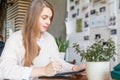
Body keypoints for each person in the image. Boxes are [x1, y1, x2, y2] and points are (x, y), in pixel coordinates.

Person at [0, 0, 86, 79]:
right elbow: (5, 69)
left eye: (50, 18)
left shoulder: (49, 38)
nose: (48, 22)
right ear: (32, 17)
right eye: (44, 18)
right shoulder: (15, 38)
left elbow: (57, 61)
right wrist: (43, 70)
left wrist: (75, 68)